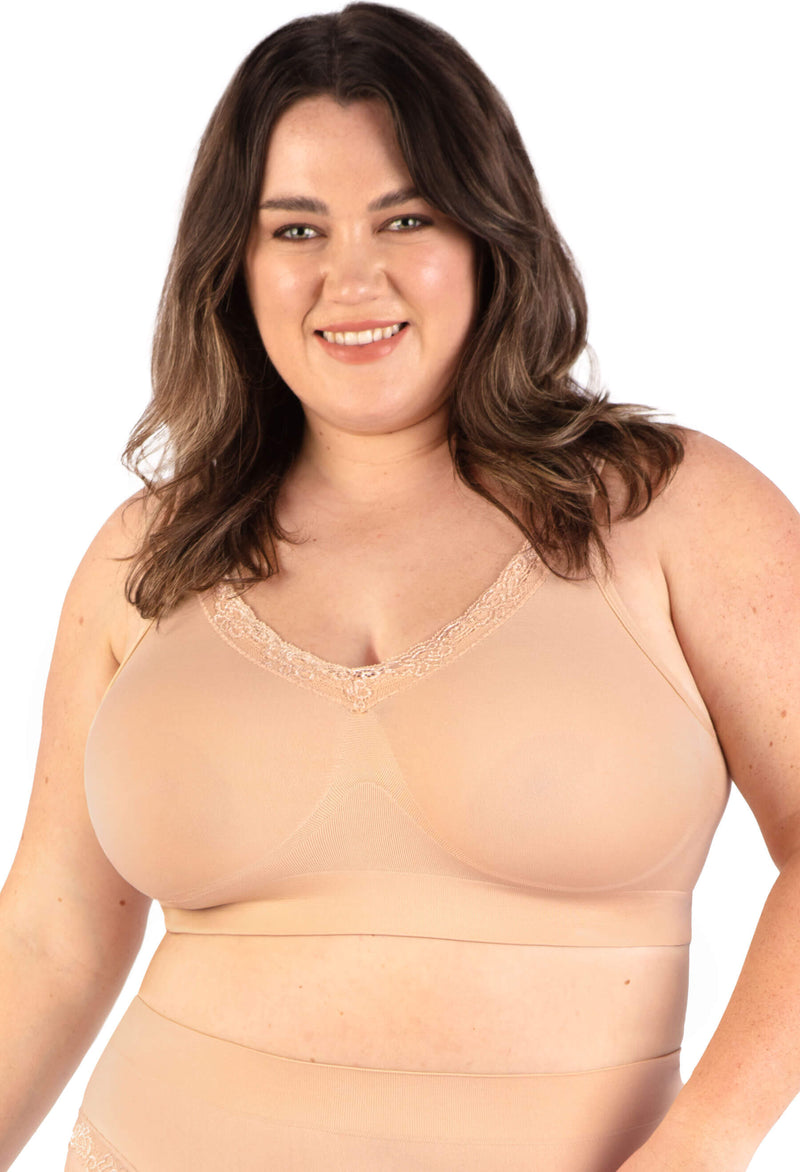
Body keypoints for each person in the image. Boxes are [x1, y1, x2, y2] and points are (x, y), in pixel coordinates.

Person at [2, 3, 799, 1170]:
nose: (350, 277)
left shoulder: (669, 508)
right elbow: (50, 938)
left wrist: (698, 1149)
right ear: (234, 265)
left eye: (405, 217)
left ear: (487, 235)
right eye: (295, 228)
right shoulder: (148, 555)